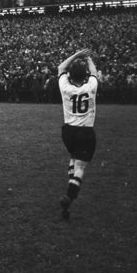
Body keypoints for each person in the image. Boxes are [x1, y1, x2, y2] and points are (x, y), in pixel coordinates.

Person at [57, 49, 98, 220]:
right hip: (85, 132)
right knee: (80, 167)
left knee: (74, 159)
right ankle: (69, 196)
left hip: (68, 131)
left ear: (70, 76)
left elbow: (60, 67)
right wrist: (87, 57)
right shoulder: (91, 87)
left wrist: (76, 55)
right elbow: (95, 72)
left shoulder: (65, 87)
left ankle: (68, 204)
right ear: (86, 76)